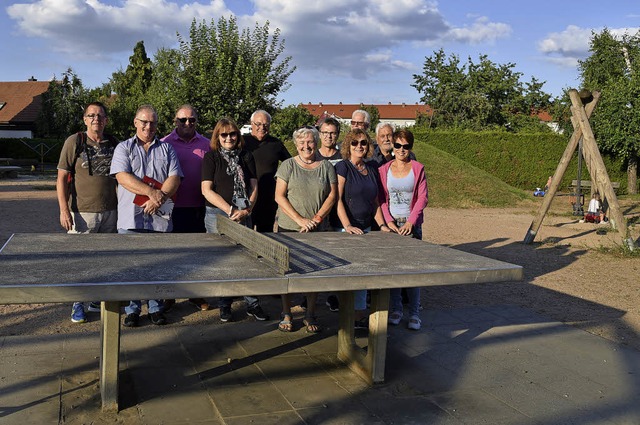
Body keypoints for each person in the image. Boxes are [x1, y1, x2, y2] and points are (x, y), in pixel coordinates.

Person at [110, 105, 183, 327]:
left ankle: (155, 308)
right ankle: (132, 310)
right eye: (144, 122)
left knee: (158, 265)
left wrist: (157, 199)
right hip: (130, 219)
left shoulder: (167, 149)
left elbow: (175, 178)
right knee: (131, 266)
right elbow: (122, 177)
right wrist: (151, 192)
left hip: (159, 218)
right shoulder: (123, 148)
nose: (148, 126)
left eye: (152, 123)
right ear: (135, 122)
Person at [201, 118, 269, 322]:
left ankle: (252, 303)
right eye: (224, 134)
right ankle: (224, 304)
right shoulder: (211, 158)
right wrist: (230, 209)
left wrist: (247, 209)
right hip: (218, 215)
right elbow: (206, 190)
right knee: (222, 261)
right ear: (217, 137)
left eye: (232, 134)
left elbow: (254, 186)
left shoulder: (246, 156)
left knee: (247, 259)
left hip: (243, 213)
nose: (229, 138)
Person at [56, 101, 119, 324]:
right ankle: (77, 303)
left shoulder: (113, 143)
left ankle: (94, 299)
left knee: (104, 259)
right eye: (91, 115)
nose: (96, 119)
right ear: (85, 119)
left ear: (106, 120)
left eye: (100, 116)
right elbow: (62, 178)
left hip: (111, 212)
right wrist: (64, 210)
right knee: (81, 261)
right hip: (82, 213)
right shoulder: (75, 141)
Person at [274, 126, 338, 333]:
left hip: (317, 230)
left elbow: (332, 196)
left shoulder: (326, 166)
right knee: (287, 274)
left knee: (314, 273)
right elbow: (279, 196)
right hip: (289, 228)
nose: (306, 146)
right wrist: (301, 220)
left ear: (316, 142)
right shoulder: (288, 165)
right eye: (301, 142)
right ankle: (286, 312)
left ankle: (310, 313)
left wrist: (317, 219)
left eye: (310, 141)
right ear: (296, 144)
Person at [333, 129, 390, 328]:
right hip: (347, 230)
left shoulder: (371, 169)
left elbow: (375, 202)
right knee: (348, 275)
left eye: (363, 143)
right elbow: (337, 199)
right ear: (348, 145)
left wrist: (382, 225)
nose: (359, 146)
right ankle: (347, 316)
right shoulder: (343, 167)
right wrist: (346, 224)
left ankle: (358, 316)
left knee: (363, 272)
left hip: (366, 229)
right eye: (355, 143)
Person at [161, 104, 210, 312]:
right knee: (172, 253)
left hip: (199, 206)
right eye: (183, 120)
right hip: (173, 207)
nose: (187, 123)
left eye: (191, 120)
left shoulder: (208, 144)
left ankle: (195, 294)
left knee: (197, 254)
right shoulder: (164, 143)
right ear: (175, 121)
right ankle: (169, 295)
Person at [378, 129, 428, 330]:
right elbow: (381, 198)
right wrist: (388, 221)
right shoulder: (384, 169)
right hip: (393, 224)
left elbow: (422, 197)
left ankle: (415, 312)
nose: (401, 150)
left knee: (413, 270)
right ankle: (397, 309)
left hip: (411, 224)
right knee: (394, 269)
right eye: (397, 145)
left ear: (411, 147)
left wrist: (411, 222)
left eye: (405, 146)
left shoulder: (418, 168)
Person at [243, 110, 291, 232]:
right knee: (244, 233)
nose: (262, 128)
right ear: (251, 124)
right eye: (258, 124)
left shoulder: (276, 144)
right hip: (245, 196)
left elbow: (290, 164)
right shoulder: (242, 142)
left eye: (266, 124)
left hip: (268, 198)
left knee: (266, 235)